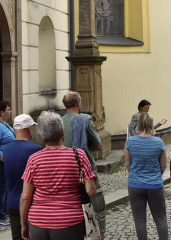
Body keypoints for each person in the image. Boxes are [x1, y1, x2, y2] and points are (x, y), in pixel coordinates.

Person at [20, 111, 96, 240]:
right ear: (62, 133)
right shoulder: (79, 155)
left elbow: (25, 197)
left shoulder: (34, 159)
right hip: (70, 222)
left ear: (42, 135)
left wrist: (23, 224)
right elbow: (91, 191)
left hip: (39, 222)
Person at [62, 91, 106, 240]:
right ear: (78, 103)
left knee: (71, 206)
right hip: (85, 170)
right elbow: (99, 146)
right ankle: (100, 236)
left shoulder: (59, 121)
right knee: (97, 206)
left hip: (66, 170)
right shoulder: (85, 120)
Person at [125, 113, 168, 240]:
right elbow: (164, 166)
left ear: (138, 125)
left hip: (135, 185)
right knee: (160, 218)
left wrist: (135, 175)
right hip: (155, 185)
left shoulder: (130, 142)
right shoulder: (159, 142)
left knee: (139, 220)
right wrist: (155, 176)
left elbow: (128, 165)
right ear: (150, 124)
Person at [4, 114, 42, 240]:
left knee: (17, 237)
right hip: (32, 203)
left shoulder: (6, 149)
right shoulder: (36, 149)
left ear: (14, 129)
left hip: (12, 202)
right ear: (30, 128)